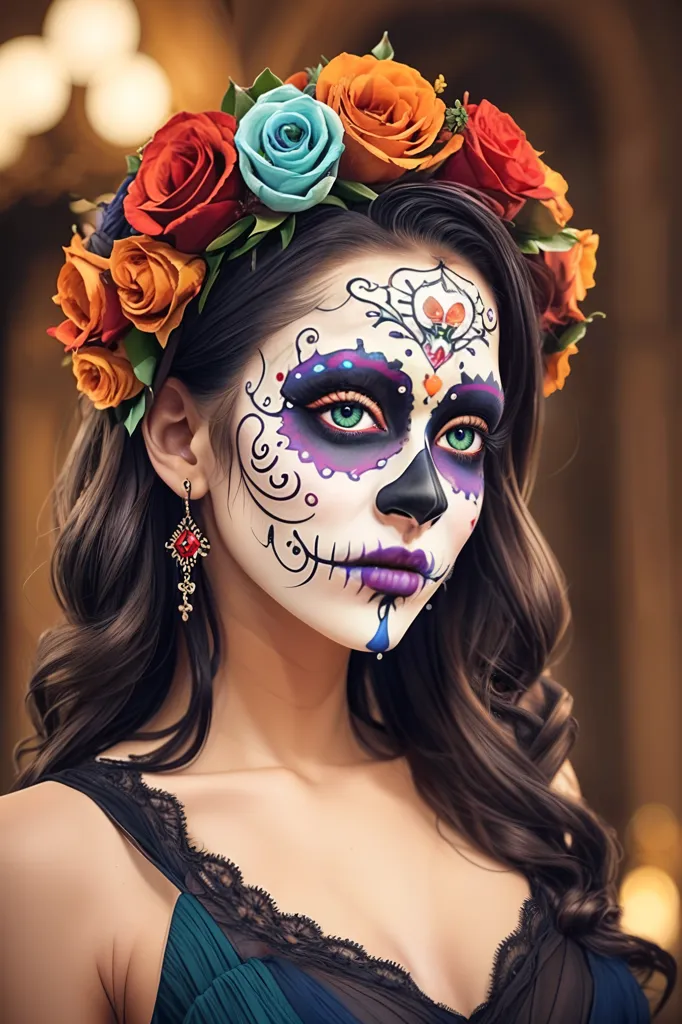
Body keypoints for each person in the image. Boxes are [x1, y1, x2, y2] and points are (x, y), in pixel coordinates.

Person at [0, 37, 676, 1024]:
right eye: (350, 411)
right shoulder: (45, 865)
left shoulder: (529, 795)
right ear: (182, 435)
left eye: (460, 432)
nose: (425, 494)